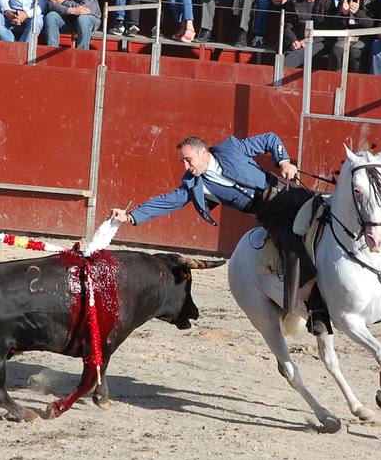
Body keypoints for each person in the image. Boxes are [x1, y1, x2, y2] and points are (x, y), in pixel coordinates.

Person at [110, 134, 325, 329]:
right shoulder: (193, 184)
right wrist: (131, 217)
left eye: (188, 160)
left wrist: (284, 161)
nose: (186, 166)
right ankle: (316, 309)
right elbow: (167, 202)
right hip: (271, 215)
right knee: (291, 248)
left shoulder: (230, 147)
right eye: (183, 161)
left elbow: (270, 139)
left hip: (287, 192)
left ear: (203, 152)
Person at [333, 0, 381, 71]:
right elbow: (335, 24)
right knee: (337, 49)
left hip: (366, 37)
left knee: (355, 51)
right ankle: (336, 81)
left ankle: (357, 83)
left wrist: (357, 13)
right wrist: (344, 14)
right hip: (347, 36)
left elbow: (375, 25)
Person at [282, 0, 336, 68]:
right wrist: (293, 40)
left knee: (298, 54)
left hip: (319, 41)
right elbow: (288, 25)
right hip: (297, 40)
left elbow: (328, 29)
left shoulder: (327, 2)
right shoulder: (294, 0)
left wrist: (307, 41)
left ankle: (280, 73)